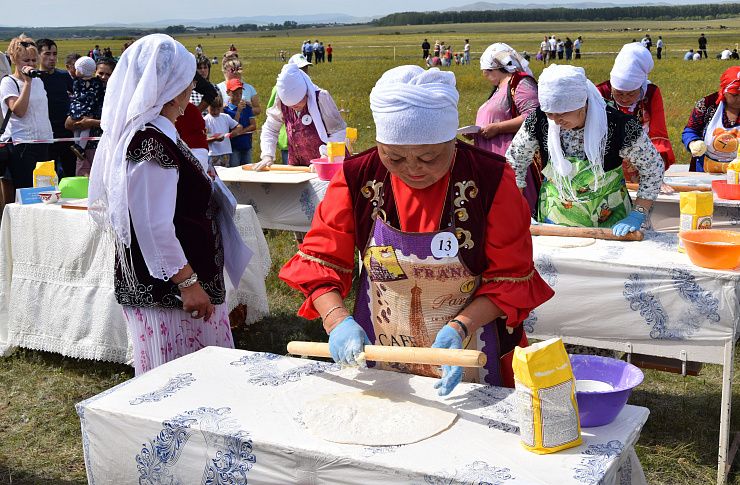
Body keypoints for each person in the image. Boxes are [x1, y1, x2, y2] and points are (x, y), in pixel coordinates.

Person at [278, 65, 554, 394]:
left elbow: (509, 279)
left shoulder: (491, 181)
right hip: (382, 343)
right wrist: (337, 320)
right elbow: (320, 264)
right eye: (394, 158)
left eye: (429, 157)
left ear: (452, 141)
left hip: (475, 345)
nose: (412, 170)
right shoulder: (356, 177)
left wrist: (460, 327)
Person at [89, 34, 251, 375]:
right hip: (171, 296)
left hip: (180, 285)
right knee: (181, 381)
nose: (191, 87)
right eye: (187, 79)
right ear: (170, 85)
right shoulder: (149, 144)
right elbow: (153, 224)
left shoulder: (160, 134)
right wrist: (188, 283)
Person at [506, 64, 665, 236]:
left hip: (611, 226)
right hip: (553, 223)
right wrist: (517, 209)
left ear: (583, 103)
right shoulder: (539, 120)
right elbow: (514, 162)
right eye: (550, 113)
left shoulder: (619, 125)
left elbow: (653, 169)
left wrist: (638, 213)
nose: (556, 120)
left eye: (563, 113)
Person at [471, 43, 541, 215]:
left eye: (486, 70)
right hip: (492, 157)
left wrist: (498, 128)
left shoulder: (520, 83)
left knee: (513, 208)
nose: (484, 74)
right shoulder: (501, 88)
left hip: (512, 158)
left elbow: (533, 116)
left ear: (495, 68)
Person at [597, 42, 675, 183]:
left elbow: (658, 134)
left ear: (641, 86)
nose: (625, 98)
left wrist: (655, 172)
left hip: (642, 160)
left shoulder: (651, 93)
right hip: (606, 163)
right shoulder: (600, 92)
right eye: (619, 93)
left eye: (631, 94)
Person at [256, 63, 346, 170]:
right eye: (290, 105)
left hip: (327, 166)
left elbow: (338, 132)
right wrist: (267, 155)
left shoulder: (320, 98)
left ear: (306, 92)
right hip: (297, 167)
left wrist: (325, 158)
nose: (294, 106)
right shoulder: (281, 102)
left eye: (298, 101)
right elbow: (270, 128)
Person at [0, 35, 53, 189]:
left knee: (44, 188)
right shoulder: (8, 82)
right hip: (22, 143)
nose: (31, 64)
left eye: (33, 60)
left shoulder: (38, 81)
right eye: (26, 60)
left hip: (43, 141)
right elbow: (19, 111)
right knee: (27, 188)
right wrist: (27, 83)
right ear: (14, 60)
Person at [682, 66, 740, 173]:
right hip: (706, 170)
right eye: (734, 95)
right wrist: (693, 143)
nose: (739, 99)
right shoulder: (707, 104)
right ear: (724, 90)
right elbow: (690, 130)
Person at [36, 38, 76, 179]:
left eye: (54, 54)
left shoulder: (64, 76)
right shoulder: (34, 79)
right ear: (38, 55)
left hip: (66, 133)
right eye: (47, 54)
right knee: (47, 177)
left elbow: (79, 97)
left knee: (70, 174)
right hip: (45, 135)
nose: (52, 58)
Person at [68, 56, 105, 174]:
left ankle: (79, 146)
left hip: (101, 147)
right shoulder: (95, 84)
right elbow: (68, 124)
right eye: (101, 73)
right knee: (81, 127)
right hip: (87, 108)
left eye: (108, 74)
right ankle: (79, 147)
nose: (103, 77)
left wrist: (90, 122)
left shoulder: (77, 82)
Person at [223, 78, 257, 166]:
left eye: (240, 93)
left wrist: (241, 131)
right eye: (235, 93)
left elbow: (253, 125)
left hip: (246, 145)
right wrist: (238, 111)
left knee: (248, 171)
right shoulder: (225, 110)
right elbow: (232, 127)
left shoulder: (247, 107)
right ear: (228, 93)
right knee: (234, 171)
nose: (238, 96)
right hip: (233, 147)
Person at [205, 94, 239, 167]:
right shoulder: (205, 120)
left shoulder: (225, 117)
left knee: (225, 174)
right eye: (212, 109)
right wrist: (215, 139)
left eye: (218, 109)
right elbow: (204, 138)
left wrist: (234, 132)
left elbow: (238, 126)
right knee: (213, 174)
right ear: (208, 107)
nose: (215, 112)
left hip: (225, 152)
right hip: (212, 153)